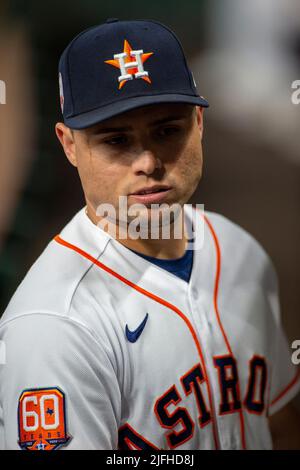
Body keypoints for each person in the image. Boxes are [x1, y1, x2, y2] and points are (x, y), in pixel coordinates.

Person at [0, 18, 300, 451]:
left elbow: (276, 419)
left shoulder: (240, 251)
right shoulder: (53, 327)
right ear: (68, 145)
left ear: (199, 123)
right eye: (117, 140)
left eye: (167, 131)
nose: (147, 162)